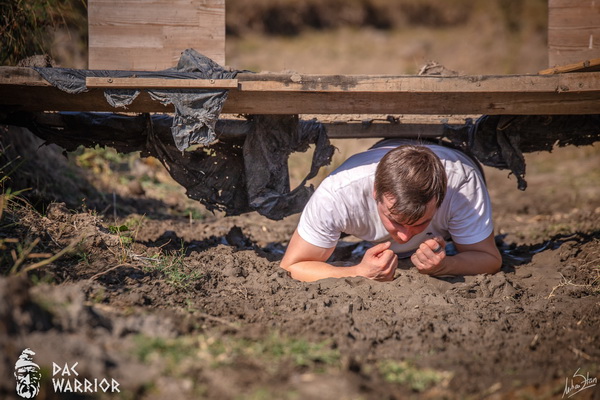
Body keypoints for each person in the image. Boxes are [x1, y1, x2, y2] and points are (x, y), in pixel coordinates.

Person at [280, 139, 502, 282]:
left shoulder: (462, 186)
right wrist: (357, 272)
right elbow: (292, 265)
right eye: (395, 220)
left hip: (453, 150)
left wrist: (445, 265)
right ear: (375, 191)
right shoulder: (338, 193)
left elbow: (489, 259)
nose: (404, 237)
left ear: (441, 199)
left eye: (421, 223)